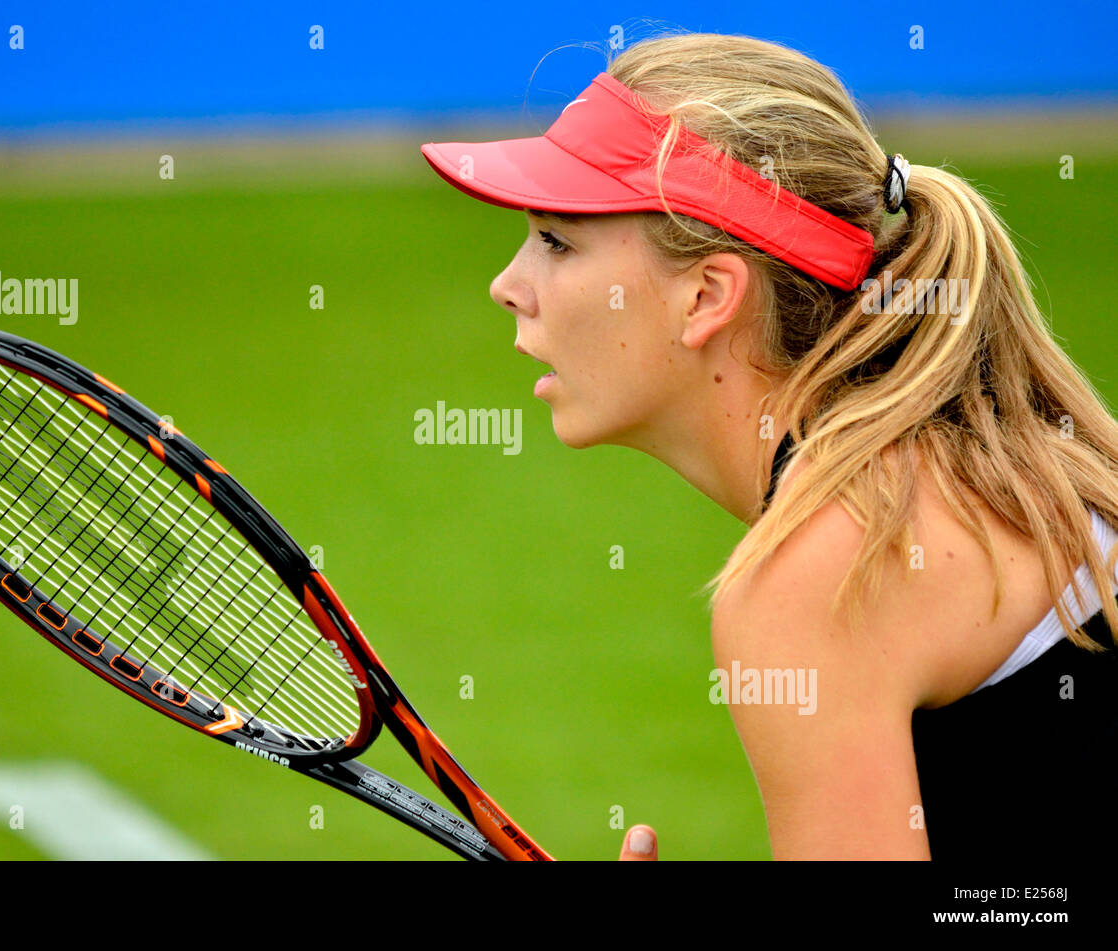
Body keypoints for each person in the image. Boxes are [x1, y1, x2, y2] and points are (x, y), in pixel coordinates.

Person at [420, 32, 1118, 860]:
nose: (509, 285)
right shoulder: (1012, 461)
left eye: (559, 242)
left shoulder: (816, 575)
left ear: (707, 296)